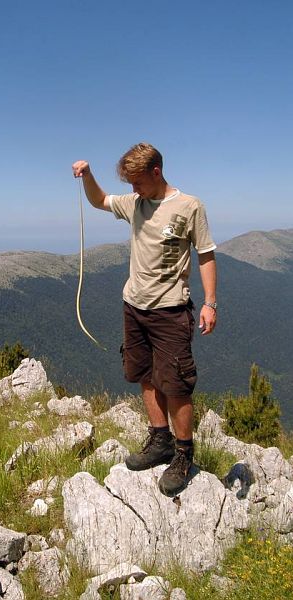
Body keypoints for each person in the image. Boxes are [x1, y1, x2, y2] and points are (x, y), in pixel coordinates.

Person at [72, 143, 217, 496]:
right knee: (144, 374)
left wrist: (210, 302)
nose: (133, 190)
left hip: (170, 311)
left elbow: (206, 254)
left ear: (156, 172)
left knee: (178, 385)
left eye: (137, 182)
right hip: (133, 306)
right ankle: (160, 440)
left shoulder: (189, 206)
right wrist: (88, 175)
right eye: (130, 184)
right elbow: (99, 200)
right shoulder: (134, 203)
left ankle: (184, 454)